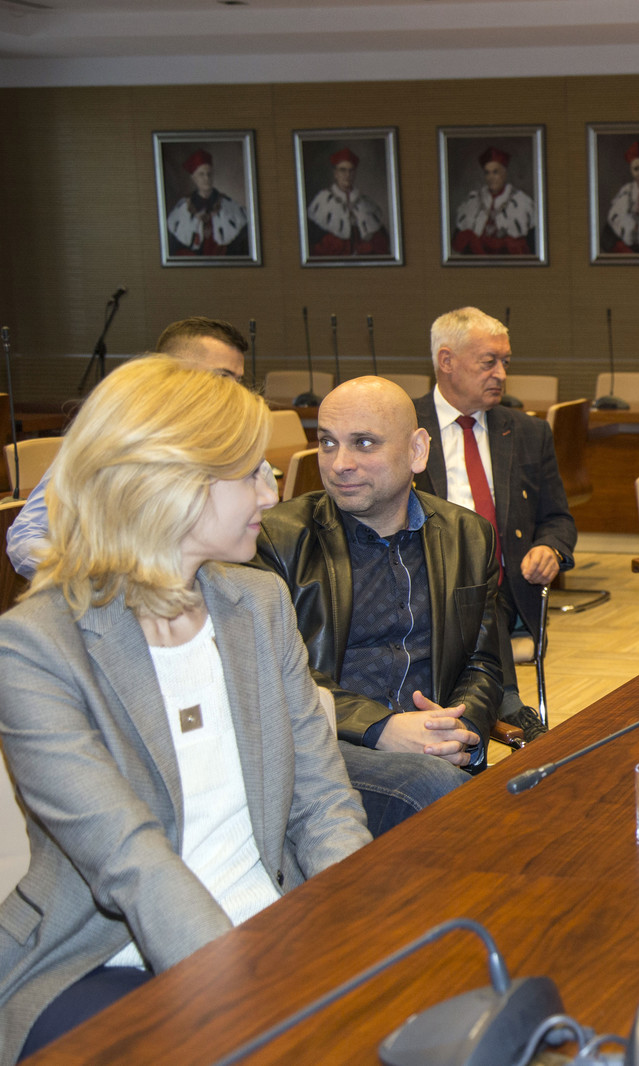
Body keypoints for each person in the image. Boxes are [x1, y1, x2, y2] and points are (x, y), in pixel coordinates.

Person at [0, 358, 370, 1064]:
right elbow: (130, 861)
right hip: (102, 960)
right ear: (171, 483)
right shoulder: (34, 647)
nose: (272, 491)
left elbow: (323, 802)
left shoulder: (258, 602)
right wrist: (251, 990)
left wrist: (357, 925)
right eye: (251, 472)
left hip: (270, 915)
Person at [251, 377, 501, 835]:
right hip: (329, 750)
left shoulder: (468, 536)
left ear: (417, 451)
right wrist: (381, 727)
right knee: (439, 791)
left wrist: (457, 733)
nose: (339, 464)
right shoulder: (278, 540)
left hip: (438, 754)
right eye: (327, 443)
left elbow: (482, 663)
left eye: (363, 443)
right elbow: (274, 675)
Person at [412, 308, 575, 736]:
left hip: (507, 588)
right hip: (422, 588)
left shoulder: (527, 433)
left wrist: (550, 548)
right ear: (446, 361)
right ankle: (507, 705)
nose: (501, 374)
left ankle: (482, 717)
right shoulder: (405, 427)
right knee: (467, 590)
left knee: (481, 592)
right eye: (489, 362)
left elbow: (558, 518)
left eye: (505, 362)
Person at [6, 316, 248, 579]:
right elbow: (25, 538)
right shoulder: (110, 440)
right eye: (222, 377)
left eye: (238, 380)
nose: (236, 392)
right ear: (170, 372)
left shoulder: (237, 444)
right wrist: (100, 583)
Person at [451, 147, 538, 256]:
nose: (491, 177)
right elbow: (457, 244)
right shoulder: (473, 201)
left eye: (495, 172)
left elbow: (533, 246)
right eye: (487, 173)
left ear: (504, 174)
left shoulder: (521, 201)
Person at [305, 147, 390, 257]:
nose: (347, 175)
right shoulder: (322, 201)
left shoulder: (366, 203)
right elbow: (314, 246)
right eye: (342, 170)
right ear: (335, 173)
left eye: (351, 170)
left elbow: (382, 245)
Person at [165, 148, 250, 258]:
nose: (206, 178)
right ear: (193, 178)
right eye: (201, 174)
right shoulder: (183, 207)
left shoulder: (227, 204)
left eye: (209, 174)